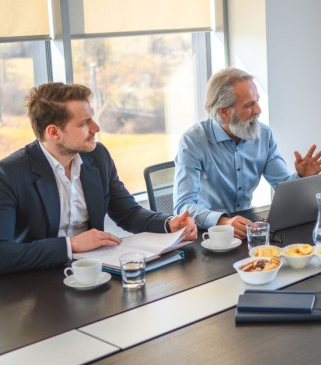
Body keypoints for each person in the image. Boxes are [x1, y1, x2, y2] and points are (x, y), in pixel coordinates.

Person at [0, 83, 197, 275]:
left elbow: (127, 213)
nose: (96, 127)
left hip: (95, 273)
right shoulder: (9, 174)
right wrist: (71, 245)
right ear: (53, 132)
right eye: (84, 123)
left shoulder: (97, 156)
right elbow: (3, 253)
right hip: (35, 282)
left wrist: (169, 223)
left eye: (92, 118)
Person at [174, 68, 321, 238]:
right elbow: (183, 206)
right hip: (208, 235)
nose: (258, 110)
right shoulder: (193, 141)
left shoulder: (264, 135)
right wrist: (223, 221)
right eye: (249, 105)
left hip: (247, 230)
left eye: (257, 101)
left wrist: (301, 177)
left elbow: (282, 186)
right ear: (224, 112)